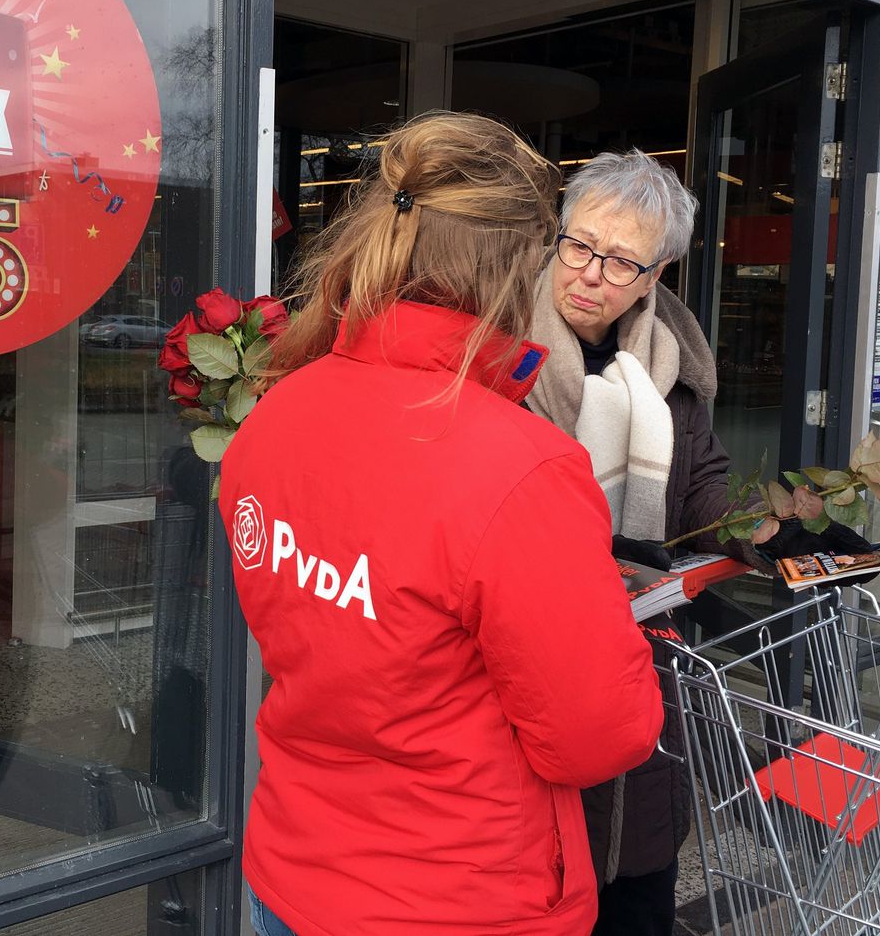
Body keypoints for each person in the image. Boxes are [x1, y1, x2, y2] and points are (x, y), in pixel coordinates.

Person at [219, 112, 664, 936]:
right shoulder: (521, 468)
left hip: (292, 875)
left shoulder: (274, 418)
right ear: (510, 272)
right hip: (458, 899)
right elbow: (599, 733)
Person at [525, 150, 870, 935]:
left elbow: (707, 490)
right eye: (577, 244)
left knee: (635, 884)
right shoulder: (497, 352)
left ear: (657, 273)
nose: (588, 273)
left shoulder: (669, 371)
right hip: (525, 685)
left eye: (620, 261)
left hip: (634, 672)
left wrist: (781, 530)